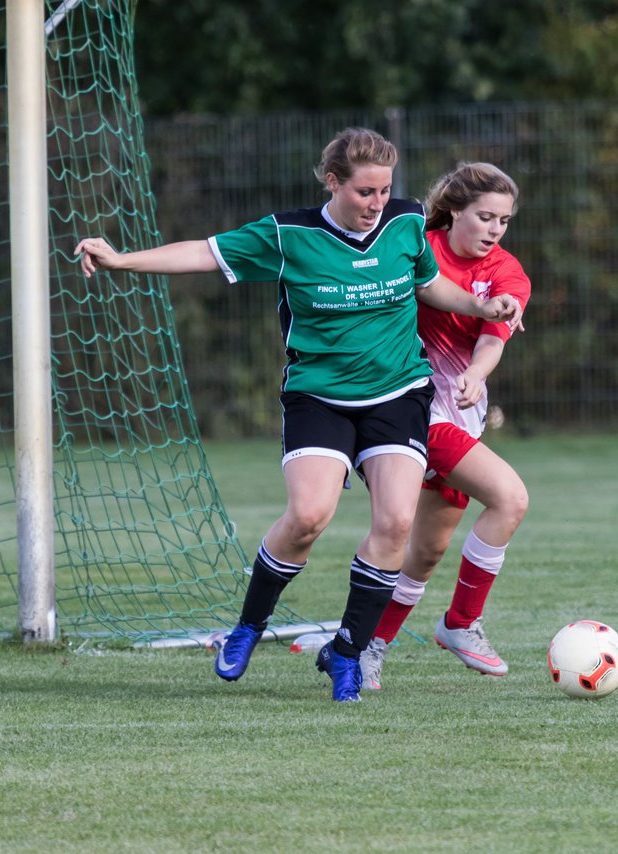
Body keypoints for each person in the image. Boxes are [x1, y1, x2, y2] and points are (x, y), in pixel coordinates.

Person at [74, 129, 522, 702]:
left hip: (397, 395)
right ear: (333, 183)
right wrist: (120, 261)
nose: (376, 203)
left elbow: (431, 286)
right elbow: (204, 253)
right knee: (309, 516)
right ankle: (248, 626)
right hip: (319, 394)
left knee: (394, 525)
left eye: (385, 190)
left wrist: (482, 305)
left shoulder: (407, 223)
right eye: (364, 191)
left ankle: (348, 654)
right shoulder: (290, 235)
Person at [360, 162, 532, 690]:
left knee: (425, 552)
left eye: (503, 221)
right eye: (484, 217)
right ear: (455, 210)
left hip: (461, 413)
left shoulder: (508, 271)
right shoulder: (417, 246)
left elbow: (493, 335)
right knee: (510, 498)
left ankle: (367, 645)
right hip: (414, 409)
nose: (494, 229)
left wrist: (478, 373)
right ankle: (461, 624)